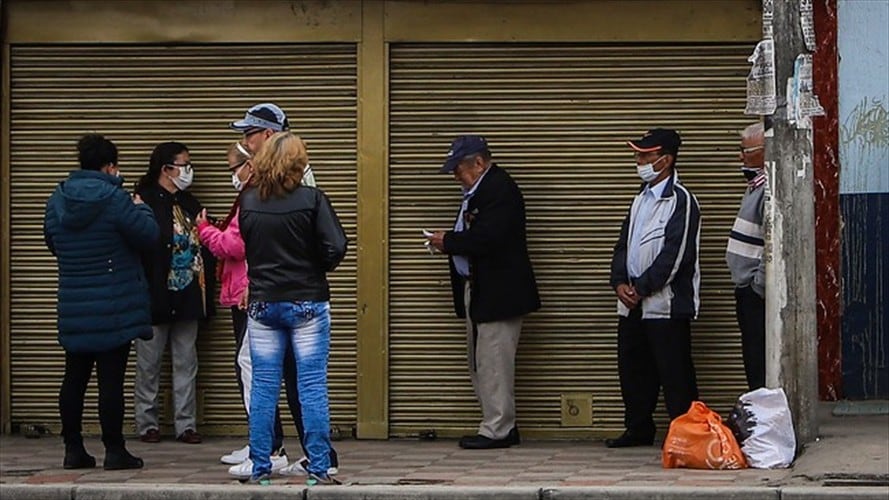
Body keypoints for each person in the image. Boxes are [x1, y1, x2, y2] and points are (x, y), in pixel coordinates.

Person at [228, 103, 337, 477]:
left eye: (250, 134)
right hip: (305, 299)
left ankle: (263, 461)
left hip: (266, 299)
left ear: (269, 137)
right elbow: (333, 245)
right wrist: (310, 271)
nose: (246, 142)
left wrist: (258, 278)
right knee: (309, 384)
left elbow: (251, 245)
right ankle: (319, 463)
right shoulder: (309, 195)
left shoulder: (253, 198)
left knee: (263, 383)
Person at [44, 134, 157, 470]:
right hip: (113, 304)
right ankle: (115, 450)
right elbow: (148, 236)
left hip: (73, 302)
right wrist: (142, 207)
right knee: (111, 380)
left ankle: (73, 449)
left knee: (74, 378)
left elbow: (52, 241)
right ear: (109, 167)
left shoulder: (58, 198)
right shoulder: (116, 199)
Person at [426, 135, 540, 450]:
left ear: (478, 162)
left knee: (493, 360)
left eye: (458, 169)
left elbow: (489, 238)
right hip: (480, 290)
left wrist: (448, 242)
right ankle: (496, 423)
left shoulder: (499, 190)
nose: (455, 176)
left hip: (499, 293)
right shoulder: (478, 192)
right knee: (481, 359)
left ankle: (499, 428)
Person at [195, 142, 288, 477]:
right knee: (249, 366)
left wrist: (205, 230)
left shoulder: (254, 197)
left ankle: (269, 446)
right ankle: (261, 441)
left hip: (251, 292)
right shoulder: (255, 196)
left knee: (252, 367)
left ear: (250, 166)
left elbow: (235, 244)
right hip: (246, 291)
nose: (232, 175)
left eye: (233, 168)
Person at [606, 128, 701, 448]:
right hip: (632, 303)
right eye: (638, 155)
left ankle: (685, 434)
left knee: (675, 373)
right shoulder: (640, 198)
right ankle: (638, 428)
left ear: (666, 160)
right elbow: (624, 244)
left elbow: (676, 255)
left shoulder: (681, 200)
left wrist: (642, 288)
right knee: (633, 369)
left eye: (646, 155)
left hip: (666, 305)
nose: (639, 160)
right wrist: (620, 281)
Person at [133, 141, 215, 445]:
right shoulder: (143, 201)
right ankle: (147, 423)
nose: (188, 171)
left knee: (186, 362)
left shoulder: (189, 203)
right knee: (148, 363)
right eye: (184, 165)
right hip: (153, 295)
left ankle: (186, 424)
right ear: (166, 168)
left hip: (188, 295)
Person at [726, 122, 767, 391]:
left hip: (755, 293)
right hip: (745, 288)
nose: (740, 156)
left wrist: (757, 286)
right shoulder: (754, 186)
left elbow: (773, 246)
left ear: (765, 151)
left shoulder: (768, 191)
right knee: (751, 358)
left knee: (758, 361)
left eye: (746, 151)